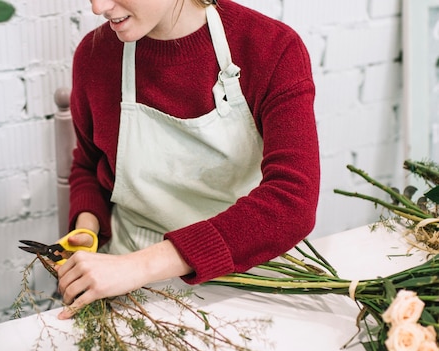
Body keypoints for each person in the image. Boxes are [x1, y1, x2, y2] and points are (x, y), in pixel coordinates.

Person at [55, 0, 320, 320]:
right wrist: (87, 228)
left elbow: (292, 203)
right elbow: (88, 162)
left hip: (249, 279)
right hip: (127, 288)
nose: (99, 7)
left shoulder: (271, 48)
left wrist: (140, 266)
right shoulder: (96, 56)